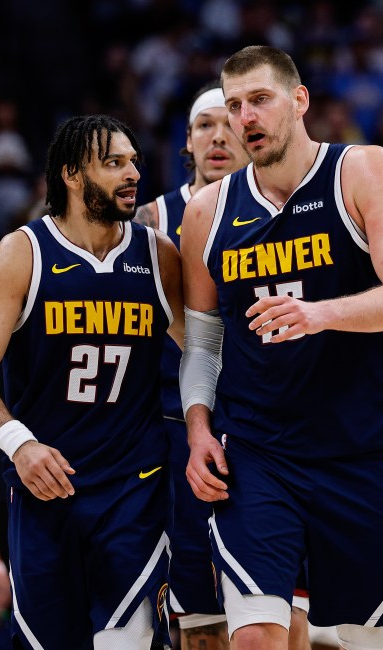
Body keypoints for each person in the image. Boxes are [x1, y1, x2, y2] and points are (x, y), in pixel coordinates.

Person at [178, 45, 383, 649]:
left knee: (369, 641)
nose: (245, 118)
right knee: (256, 637)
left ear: (299, 101)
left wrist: (319, 314)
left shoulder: (362, 169)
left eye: (259, 100)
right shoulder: (208, 212)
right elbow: (204, 340)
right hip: (259, 453)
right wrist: (198, 427)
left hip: (362, 449)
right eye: (234, 105)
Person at [0, 114, 185, 648]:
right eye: (114, 163)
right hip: (45, 485)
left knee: (127, 640)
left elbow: (207, 350)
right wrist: (20, 444)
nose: (132, 174)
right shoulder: (23, 253)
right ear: (72, 175)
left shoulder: (157, 256)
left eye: (134, 162)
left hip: (134, 483)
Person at [134, 82, 250, 650]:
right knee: (198, 610)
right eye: (206, 125)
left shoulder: (280, 207)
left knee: (281, 606)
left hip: (260, 419)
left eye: (229, 123)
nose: (218, 136)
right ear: (187, 141)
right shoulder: (152, 218)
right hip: (176, 423)